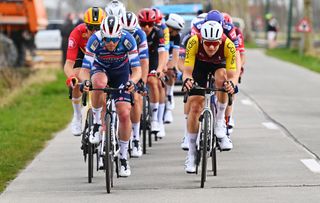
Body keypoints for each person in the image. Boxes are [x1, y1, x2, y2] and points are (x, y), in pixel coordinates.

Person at [79, 15, 142, 177]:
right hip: (101, 69)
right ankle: (97, 125)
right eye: (107, 39)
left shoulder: (128, 40)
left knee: (124, 112)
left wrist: (133, 82)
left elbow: (136, 70)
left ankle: (123, 157)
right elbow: (85, 69)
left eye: (114, 40)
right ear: (102, 35)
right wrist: (86, 82)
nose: (111, 43)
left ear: (120, 35)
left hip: (121, 73)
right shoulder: (94, 40)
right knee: (98, 84)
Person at [182, 21, 237, 173]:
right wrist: (187, 80)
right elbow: (187, 71)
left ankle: (219, 121)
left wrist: (231, 85)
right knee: (195, 106)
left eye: (214, 43)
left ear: (220, 40)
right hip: (199, 66)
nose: (211, 47)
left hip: (219, 65)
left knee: (223, 79)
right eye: (207, 43)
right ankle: (192, 153)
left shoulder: (228, 45)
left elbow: (232, 76)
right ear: (201, 40)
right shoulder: (193, 42)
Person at [64, 7, 106, 136]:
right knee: (77, 79)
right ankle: (77, 116)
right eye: (90, 27)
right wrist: (71, 77)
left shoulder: (107, 36)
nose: (94, 31)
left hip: (100, 57)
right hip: (82, 56)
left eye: (97, 28)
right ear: (85, 25)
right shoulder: (77, 32)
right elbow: (68, 64)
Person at [121, 11, 149, 157]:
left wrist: (142, 81)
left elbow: (144, 60)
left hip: (134, 65)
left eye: (131, 32)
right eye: (126, 32)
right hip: (117, 65)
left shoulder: (140, 35)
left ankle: (136, 138)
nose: (129, 35)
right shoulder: (114, 36)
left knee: (136, 97)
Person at [137, 8, 167, 136]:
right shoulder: (136, 33)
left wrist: (160, 69)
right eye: (144, 24)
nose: (147, 27)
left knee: (154, 82)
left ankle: (156, 119)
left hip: (153, 60)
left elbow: (163, 53)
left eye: (150, 24)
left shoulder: (158, 33)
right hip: (139, 61)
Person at [163, 13, 185, 124]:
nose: (177, 32)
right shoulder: (160, 32)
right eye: (175, 29)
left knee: (171, 73)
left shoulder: (176, 37)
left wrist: (169, 67)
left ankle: (169, 96)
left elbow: (175, 56)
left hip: (170, 57)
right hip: (158, 56)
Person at [152, 8, 170, 137]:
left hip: (158, 55)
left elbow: (165, 50)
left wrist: (162, 67)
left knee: (159, 83)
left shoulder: (162, 30)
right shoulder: (139, 31)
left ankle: (159, 120)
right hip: (145, 56)